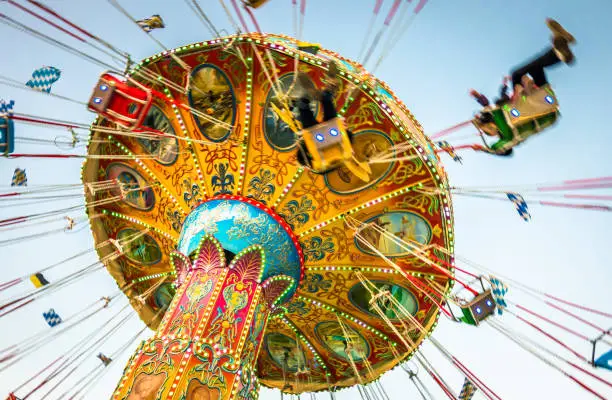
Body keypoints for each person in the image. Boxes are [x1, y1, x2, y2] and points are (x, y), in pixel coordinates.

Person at [471, 18, 575, 156]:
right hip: (539, 107)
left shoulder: (502, 111)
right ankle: (558, 53)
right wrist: (484, 149)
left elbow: (491, 104)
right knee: (515, 77)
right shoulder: (506, 136)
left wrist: (479, 98)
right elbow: (504, 150)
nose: (490, 125)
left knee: (526, 71)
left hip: (536, 99)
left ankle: (560, 51)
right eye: (488, 129)